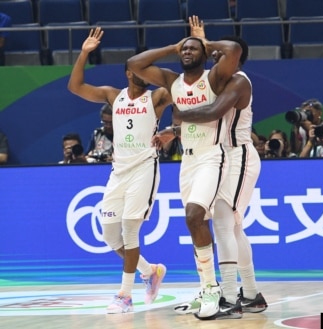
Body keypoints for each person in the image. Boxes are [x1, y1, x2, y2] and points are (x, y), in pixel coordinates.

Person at [127, 15, 242, 319]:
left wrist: (205, 41)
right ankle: (206, 287)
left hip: (211, 156)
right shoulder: (170, 80)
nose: (187, 52)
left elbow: (233, 50)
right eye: (184, 50)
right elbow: (135, 63)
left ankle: (212, 289)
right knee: (195, 224)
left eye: (193, 49)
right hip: (186, 159)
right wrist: (172, 45)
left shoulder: (214, 78)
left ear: (203, 55)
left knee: (194, 216)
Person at [67, 27, 172, 314]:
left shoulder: (157, 97)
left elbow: (190, 88)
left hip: (144, 168)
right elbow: (75, 87)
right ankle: (151, 271)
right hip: (118, 171)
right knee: (110, 237)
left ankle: (125, 295)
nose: (144, 72)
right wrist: (84, 54)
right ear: (128, 72)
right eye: (138, 68)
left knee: (130, 230)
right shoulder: (114, 96)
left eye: (147, 68)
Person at [169, 29, 268, 319]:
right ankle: (250, 294)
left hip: (239, 156)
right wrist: (173, 130)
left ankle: (227, 295)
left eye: (218, 53)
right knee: (234, 228)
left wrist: (179, 115)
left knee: (225, 225)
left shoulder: (238, 81)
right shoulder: (217, 80)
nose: (213, 56)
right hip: (223, 155)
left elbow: (211, 113)